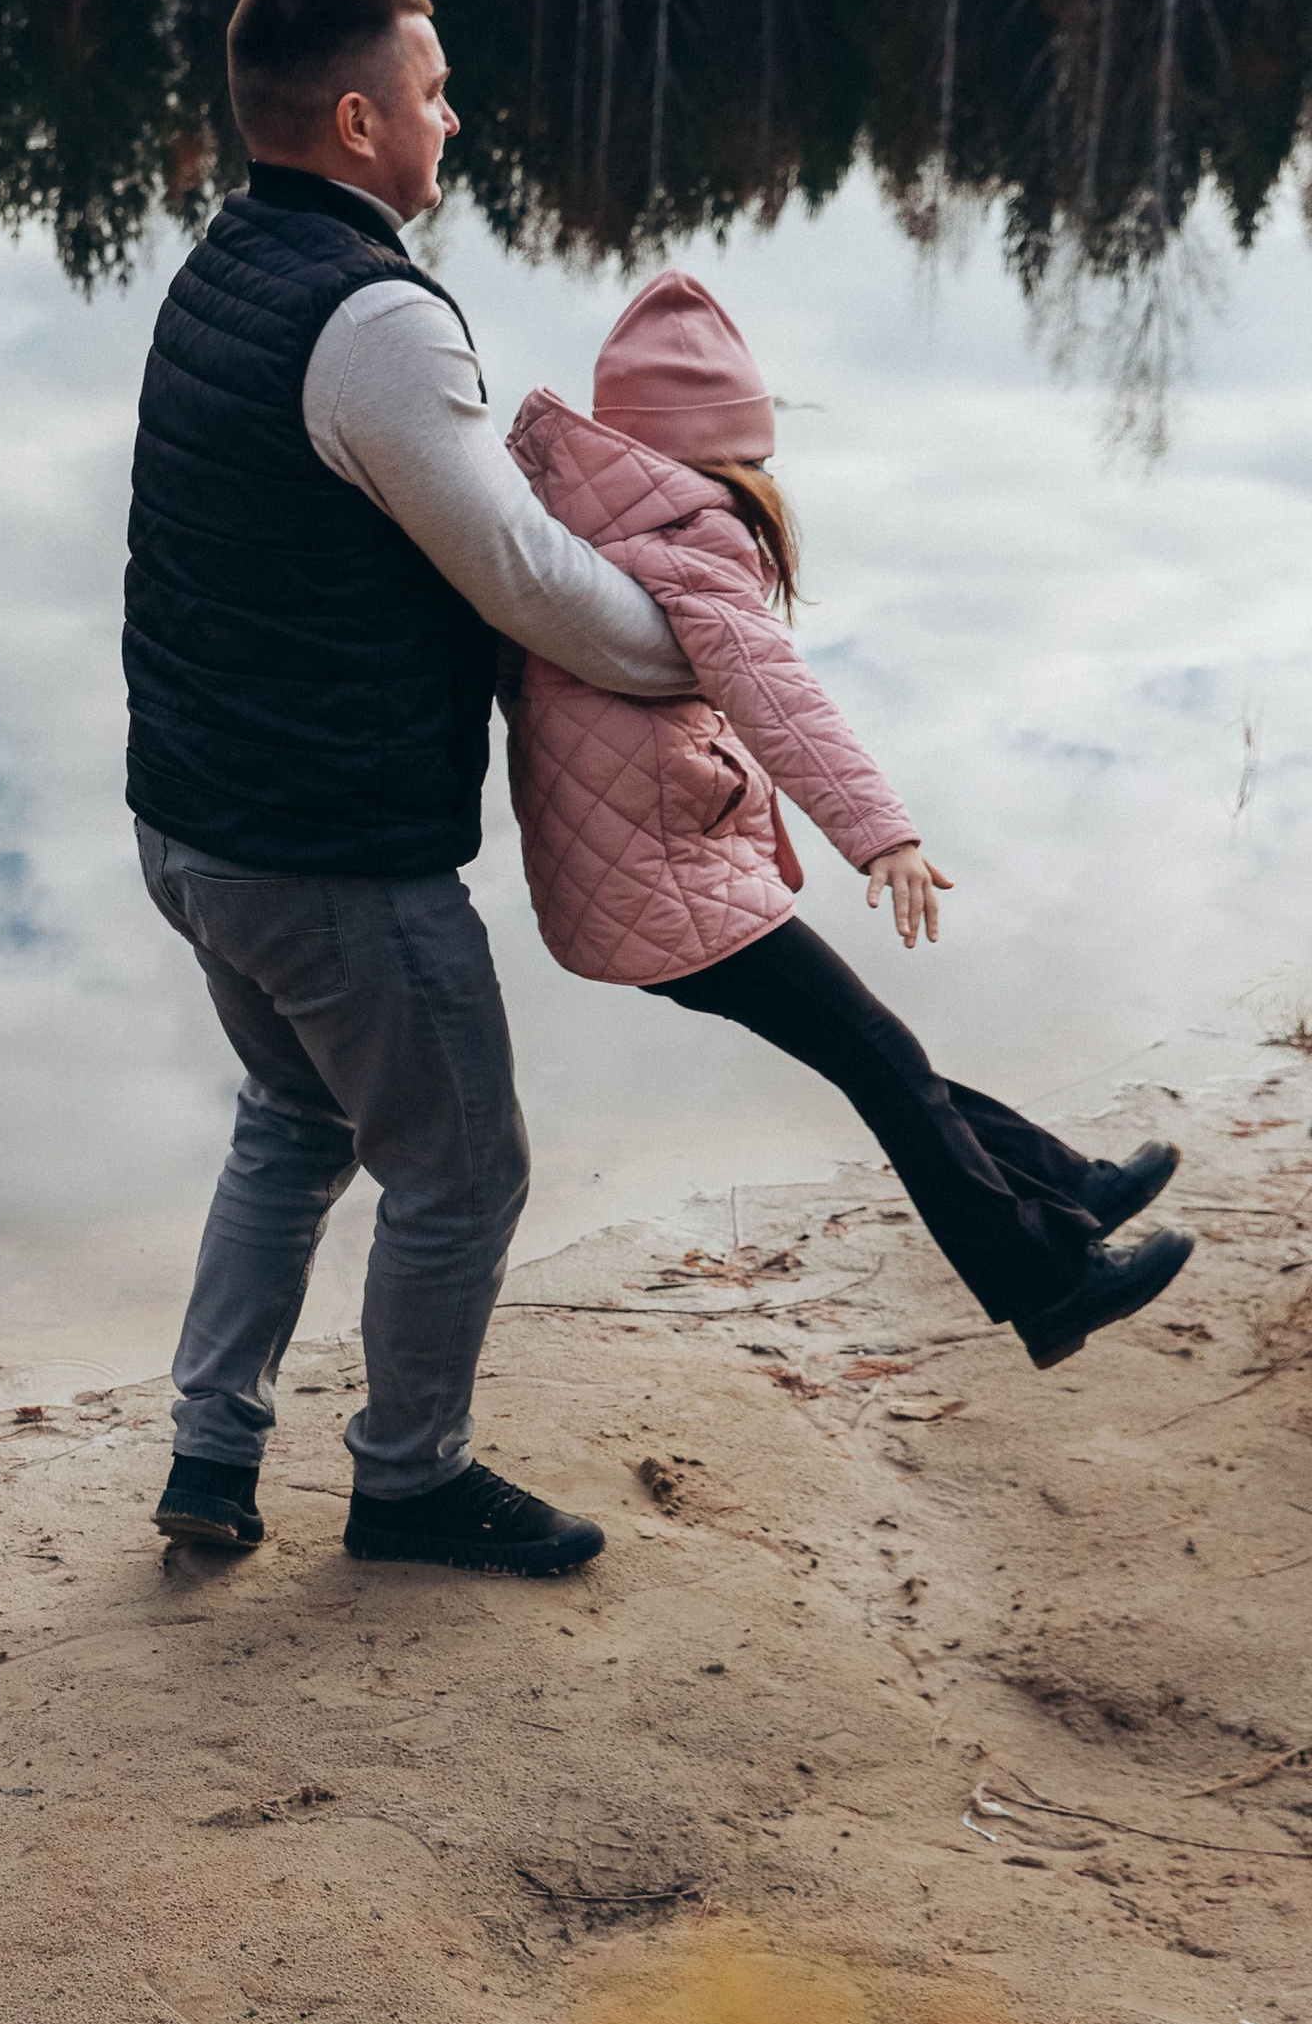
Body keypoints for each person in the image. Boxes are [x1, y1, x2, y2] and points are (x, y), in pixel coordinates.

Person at [127, 0, 698, 1578]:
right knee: (462, 1166)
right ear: (361, 117)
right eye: (437, 93)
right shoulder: (372, 320)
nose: (459, 117)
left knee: (293, 1115)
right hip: (328, 855)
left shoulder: (223, 265)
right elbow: (515, 572)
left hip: (192, 831)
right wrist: (694, 651)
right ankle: (411, 1481)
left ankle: (212, 1451)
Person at [504, 270, 1190, 1365]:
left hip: (638, 880)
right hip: (668, 893)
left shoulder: (583, 525)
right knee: (877, 1055)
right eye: (755, 460)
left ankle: (1066, 1188)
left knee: (871, 1052)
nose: (765, 481)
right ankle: (1046, 1282)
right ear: (704, 452)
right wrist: (885, 834)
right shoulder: (685, 538)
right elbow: (779, 695)